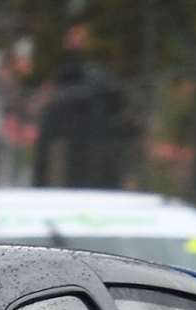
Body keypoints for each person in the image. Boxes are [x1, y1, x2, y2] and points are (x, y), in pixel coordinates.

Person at [33, 24, 132, 189]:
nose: (75, 43)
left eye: (79, 39)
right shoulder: (66, 76)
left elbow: (115, 102)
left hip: (92, 141)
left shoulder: (96, 75)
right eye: (73, 39)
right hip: (74, 142)